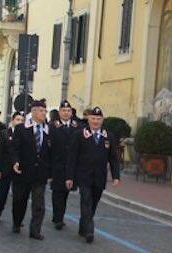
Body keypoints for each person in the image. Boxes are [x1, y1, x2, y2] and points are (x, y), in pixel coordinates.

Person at [65, 106, 120, 243]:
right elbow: (72, 157)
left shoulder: (108, 137)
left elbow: (113, 158)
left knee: (93, 204)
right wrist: (69, 177)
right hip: (83, 176)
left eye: (98, 119)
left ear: (102, 120)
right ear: (88, 119)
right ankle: (89, 231)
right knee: (86, 201)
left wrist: (116, 176)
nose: (96, 121)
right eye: (93, 118)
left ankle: (83, 226)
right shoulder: (79, 134)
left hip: (100, 177)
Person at [11, 101, 54, 239]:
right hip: (23, 172)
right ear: (34, 112)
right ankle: (17, 222)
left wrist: (50, 172)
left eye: (45, 111)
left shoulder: (49, 130)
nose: (44, 114)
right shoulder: (21, 129)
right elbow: (15, 148)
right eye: (41, 111)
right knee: (20, 200)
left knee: (39, 204)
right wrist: (16, 161)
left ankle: (35, 230)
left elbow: (52, 153)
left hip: (40, 173)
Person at [50, 99, 80, 230]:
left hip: (71, 166)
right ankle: (58, 218)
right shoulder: (53, 126)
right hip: (57, 164)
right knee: (57, 192)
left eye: (68, 111)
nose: (66, 113)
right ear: (59, 112)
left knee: (66, 192)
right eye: (64, 110)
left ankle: (59, 215)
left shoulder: (77, 126)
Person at [0, 111, 24, 222]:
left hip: (19, 169)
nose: (20, 122)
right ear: (12, 120)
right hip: (5, 168)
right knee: (3, 193)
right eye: (18, 119)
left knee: (18, 196)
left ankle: (17, 219)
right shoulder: (4, 133)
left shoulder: (25, 134)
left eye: (22, 120)